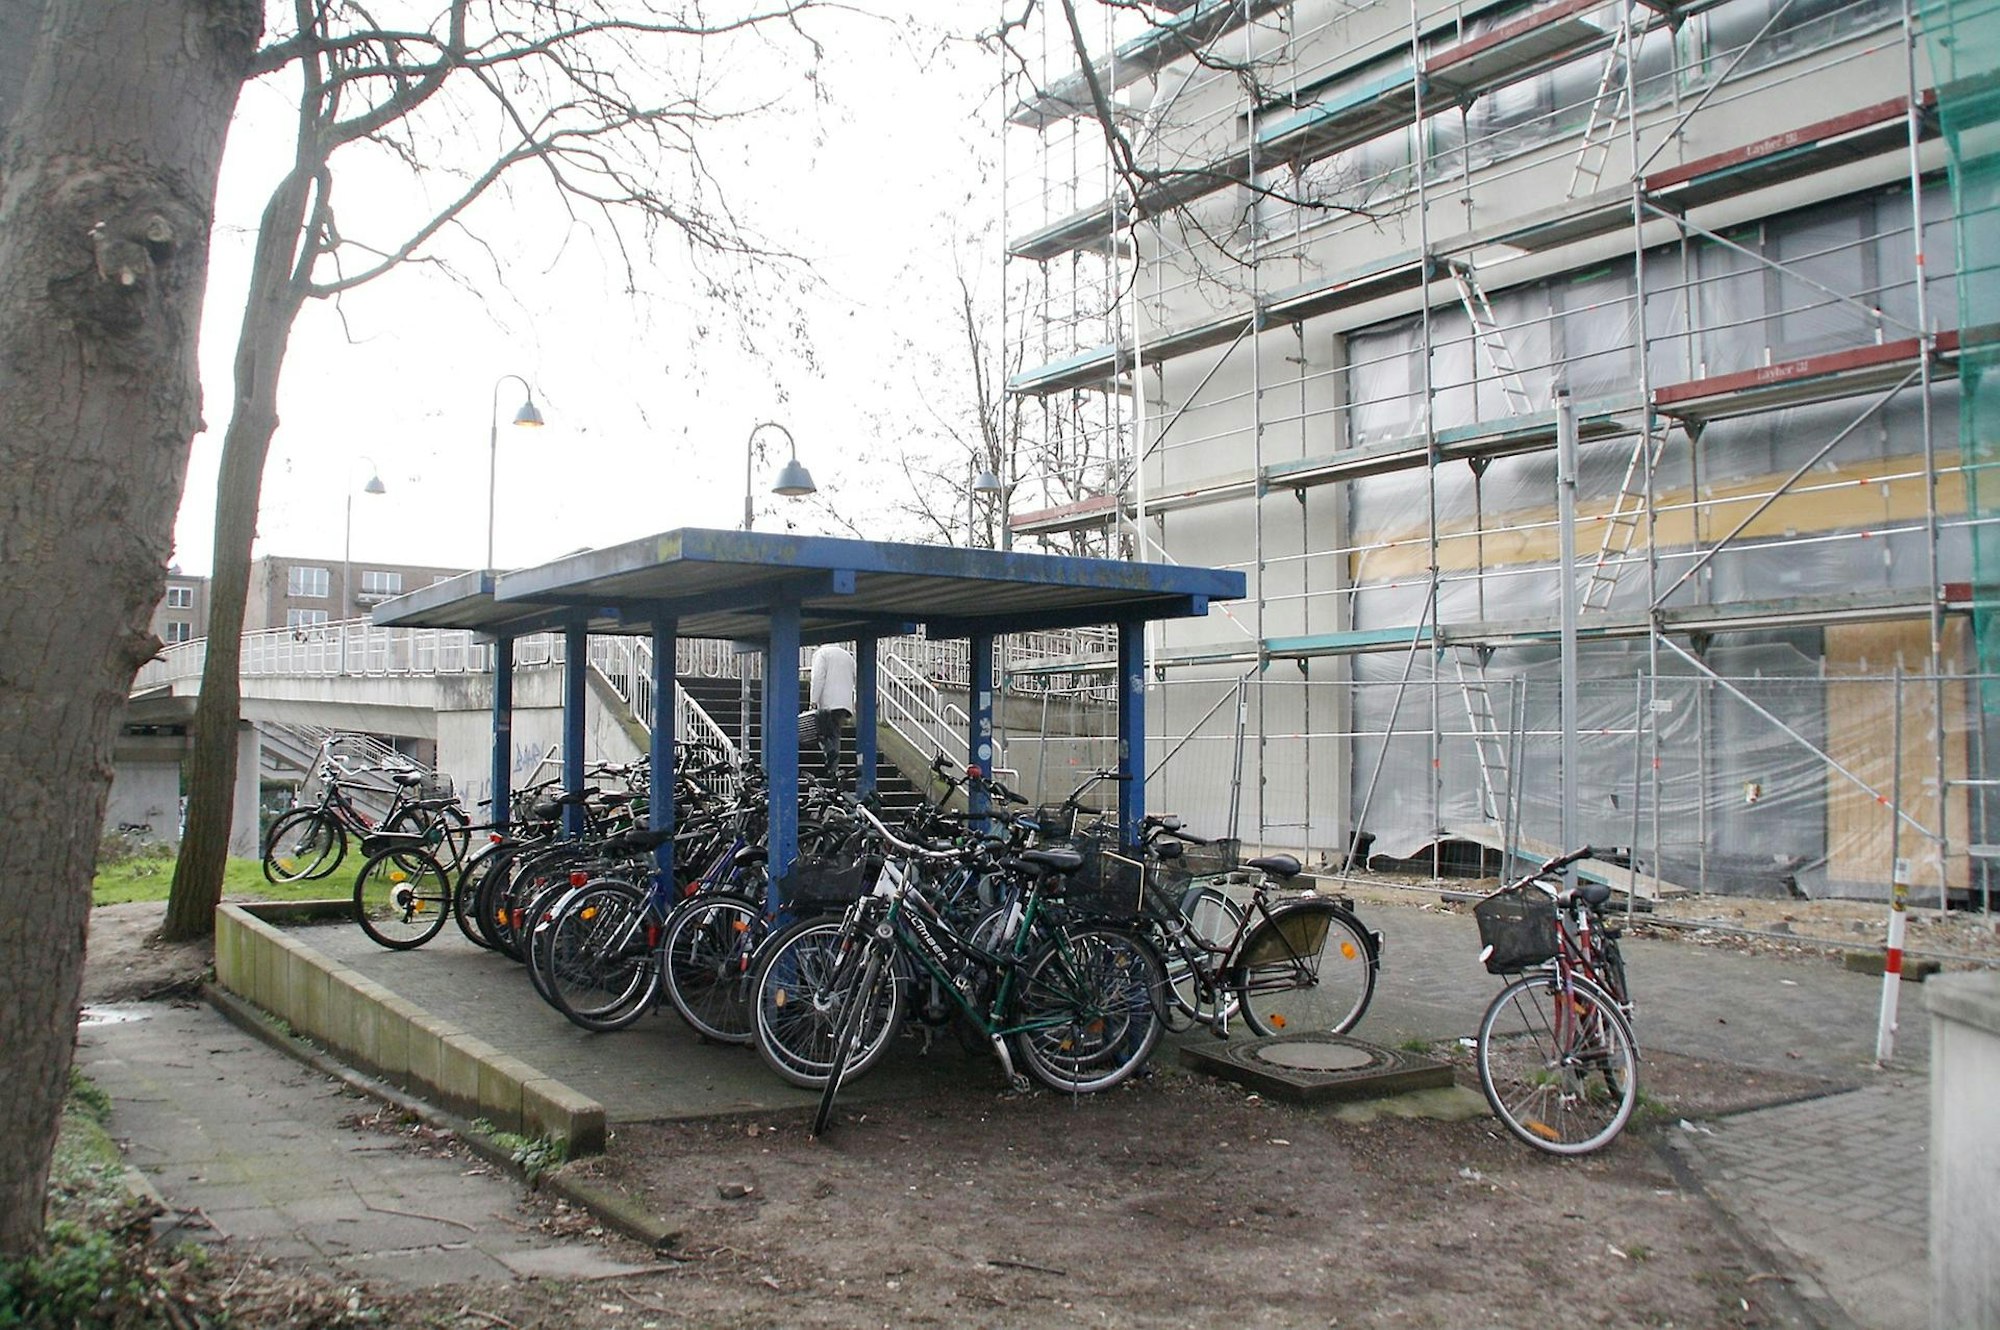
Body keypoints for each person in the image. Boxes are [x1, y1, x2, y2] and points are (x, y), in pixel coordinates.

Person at [808, 642, 857, 785]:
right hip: (844, 703)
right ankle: (833, 768)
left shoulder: (821, 654)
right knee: (835, 733)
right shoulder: (847, 656)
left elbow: (818, 677)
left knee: (818, 730)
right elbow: (856, 676)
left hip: (828, 701)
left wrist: (813, 700)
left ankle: (830, 753)